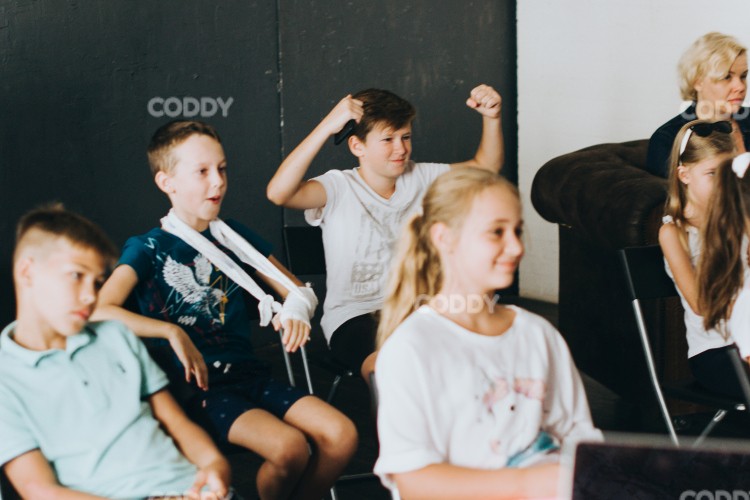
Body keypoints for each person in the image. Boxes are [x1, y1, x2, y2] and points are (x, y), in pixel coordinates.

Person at [93, 121, 357, 500]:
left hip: (249, 374)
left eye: (221, 169)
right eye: (201, 172)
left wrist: (295, 312)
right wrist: (170, 331)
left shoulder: (233, 235)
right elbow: (100, 310)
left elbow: (297, 292)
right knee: (290, 448)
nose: (217, 181)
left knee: (341, 435)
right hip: (199, 389)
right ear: (167, 182)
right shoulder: (148, 247)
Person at [373, 168, 601, 499]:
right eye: (496, 232)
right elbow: (413, 481)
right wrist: (527, 484)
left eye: (517, 231)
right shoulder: (411, 347)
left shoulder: (538, 334)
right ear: (443, 238)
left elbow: (579, 439)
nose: (516, 247)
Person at [266, 84, 504, 379]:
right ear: (357, 146)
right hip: (355, 316)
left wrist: (491, 117)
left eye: (405, 137)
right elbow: (278, 193)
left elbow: (485, 168)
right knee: (391, 368)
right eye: (388, 139)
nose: (401, 148)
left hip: (415, 308)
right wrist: (327, 126)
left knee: (482, 354)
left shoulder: (419, 176)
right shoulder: (338, 187)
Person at [0, 205, 231, 499]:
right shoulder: (5, 378)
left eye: (97, 283)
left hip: (192, 489)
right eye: (76, 275)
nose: (91, 296)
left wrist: (213, 464)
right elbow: (39, 490)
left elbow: (176, 422)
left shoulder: (116, 336)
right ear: (27, 272)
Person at [659, 119, 746, 398]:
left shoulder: (741, 220)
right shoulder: (674, 233)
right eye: (712, 173)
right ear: (684, 175)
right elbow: (701, 304)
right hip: (716, 351)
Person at [647, 32, 749, 178]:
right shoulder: (667, 139)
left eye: (743, 76)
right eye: (726, 77)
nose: (740, 87)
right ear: (697, 82)